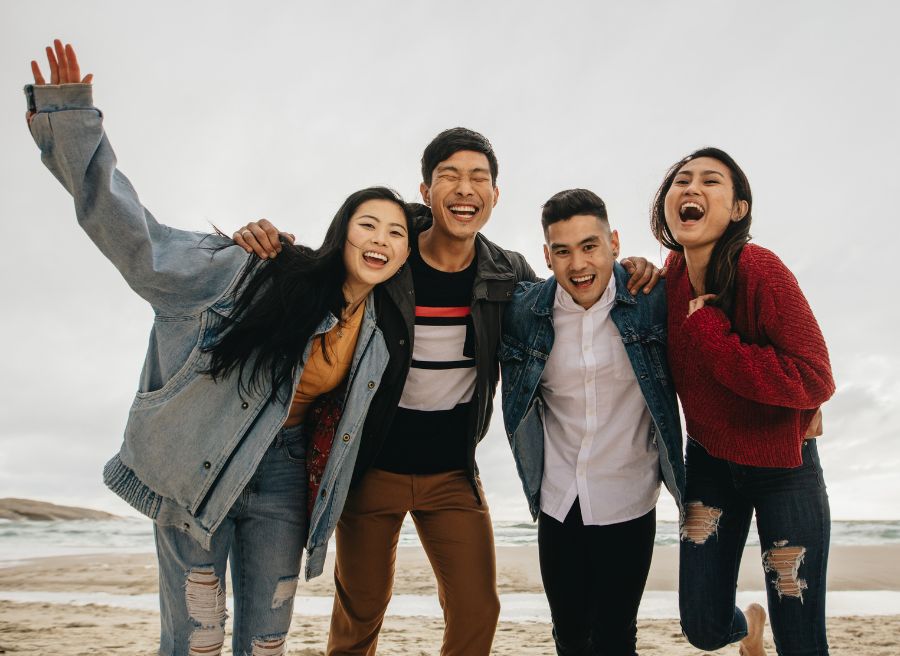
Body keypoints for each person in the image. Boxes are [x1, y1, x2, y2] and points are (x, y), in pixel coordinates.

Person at [26, 40, 412, 656]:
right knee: (197, 638)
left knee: (266, 640)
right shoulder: (254, 270)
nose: (382, 239)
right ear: (341, 233)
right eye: (368, 223)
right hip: (203, 466)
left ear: (403, 256)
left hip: (285, 478)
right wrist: (69, 123)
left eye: (396, 233)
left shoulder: (377, 339)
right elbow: (137, 242)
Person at [234, 132, 662, 655]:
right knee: (361, 610)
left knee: (478, 610)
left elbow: (572, 290)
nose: (465, 189)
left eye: (479, 178)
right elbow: (326, 264)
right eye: (450, 177)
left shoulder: (508, 275)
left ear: (495, 195)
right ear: (426, 189)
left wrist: (633, 270)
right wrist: (269, 247)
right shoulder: (389, 258)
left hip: (452, 475)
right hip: (372, 468)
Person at [651, 147, 835, 656]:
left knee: (800, 641)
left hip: (785, 469)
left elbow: (815, 378)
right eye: (681, 180)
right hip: (709, 464)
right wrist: (632, 269)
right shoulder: (668, 280)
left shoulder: (760, 270)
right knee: (704, 628)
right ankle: (747, 635)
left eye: (711, 181)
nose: (692, 189)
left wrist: (712, 332)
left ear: (737, 209)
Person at [499, 188, 685, 656]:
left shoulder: (652, 299)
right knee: (570, 637)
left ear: (615, 243)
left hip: (629, 498)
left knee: (616, 638)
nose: (578, 264)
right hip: (559, 500)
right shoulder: (523, 312)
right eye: (562, 251)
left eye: (590, 246)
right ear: (547, 255)